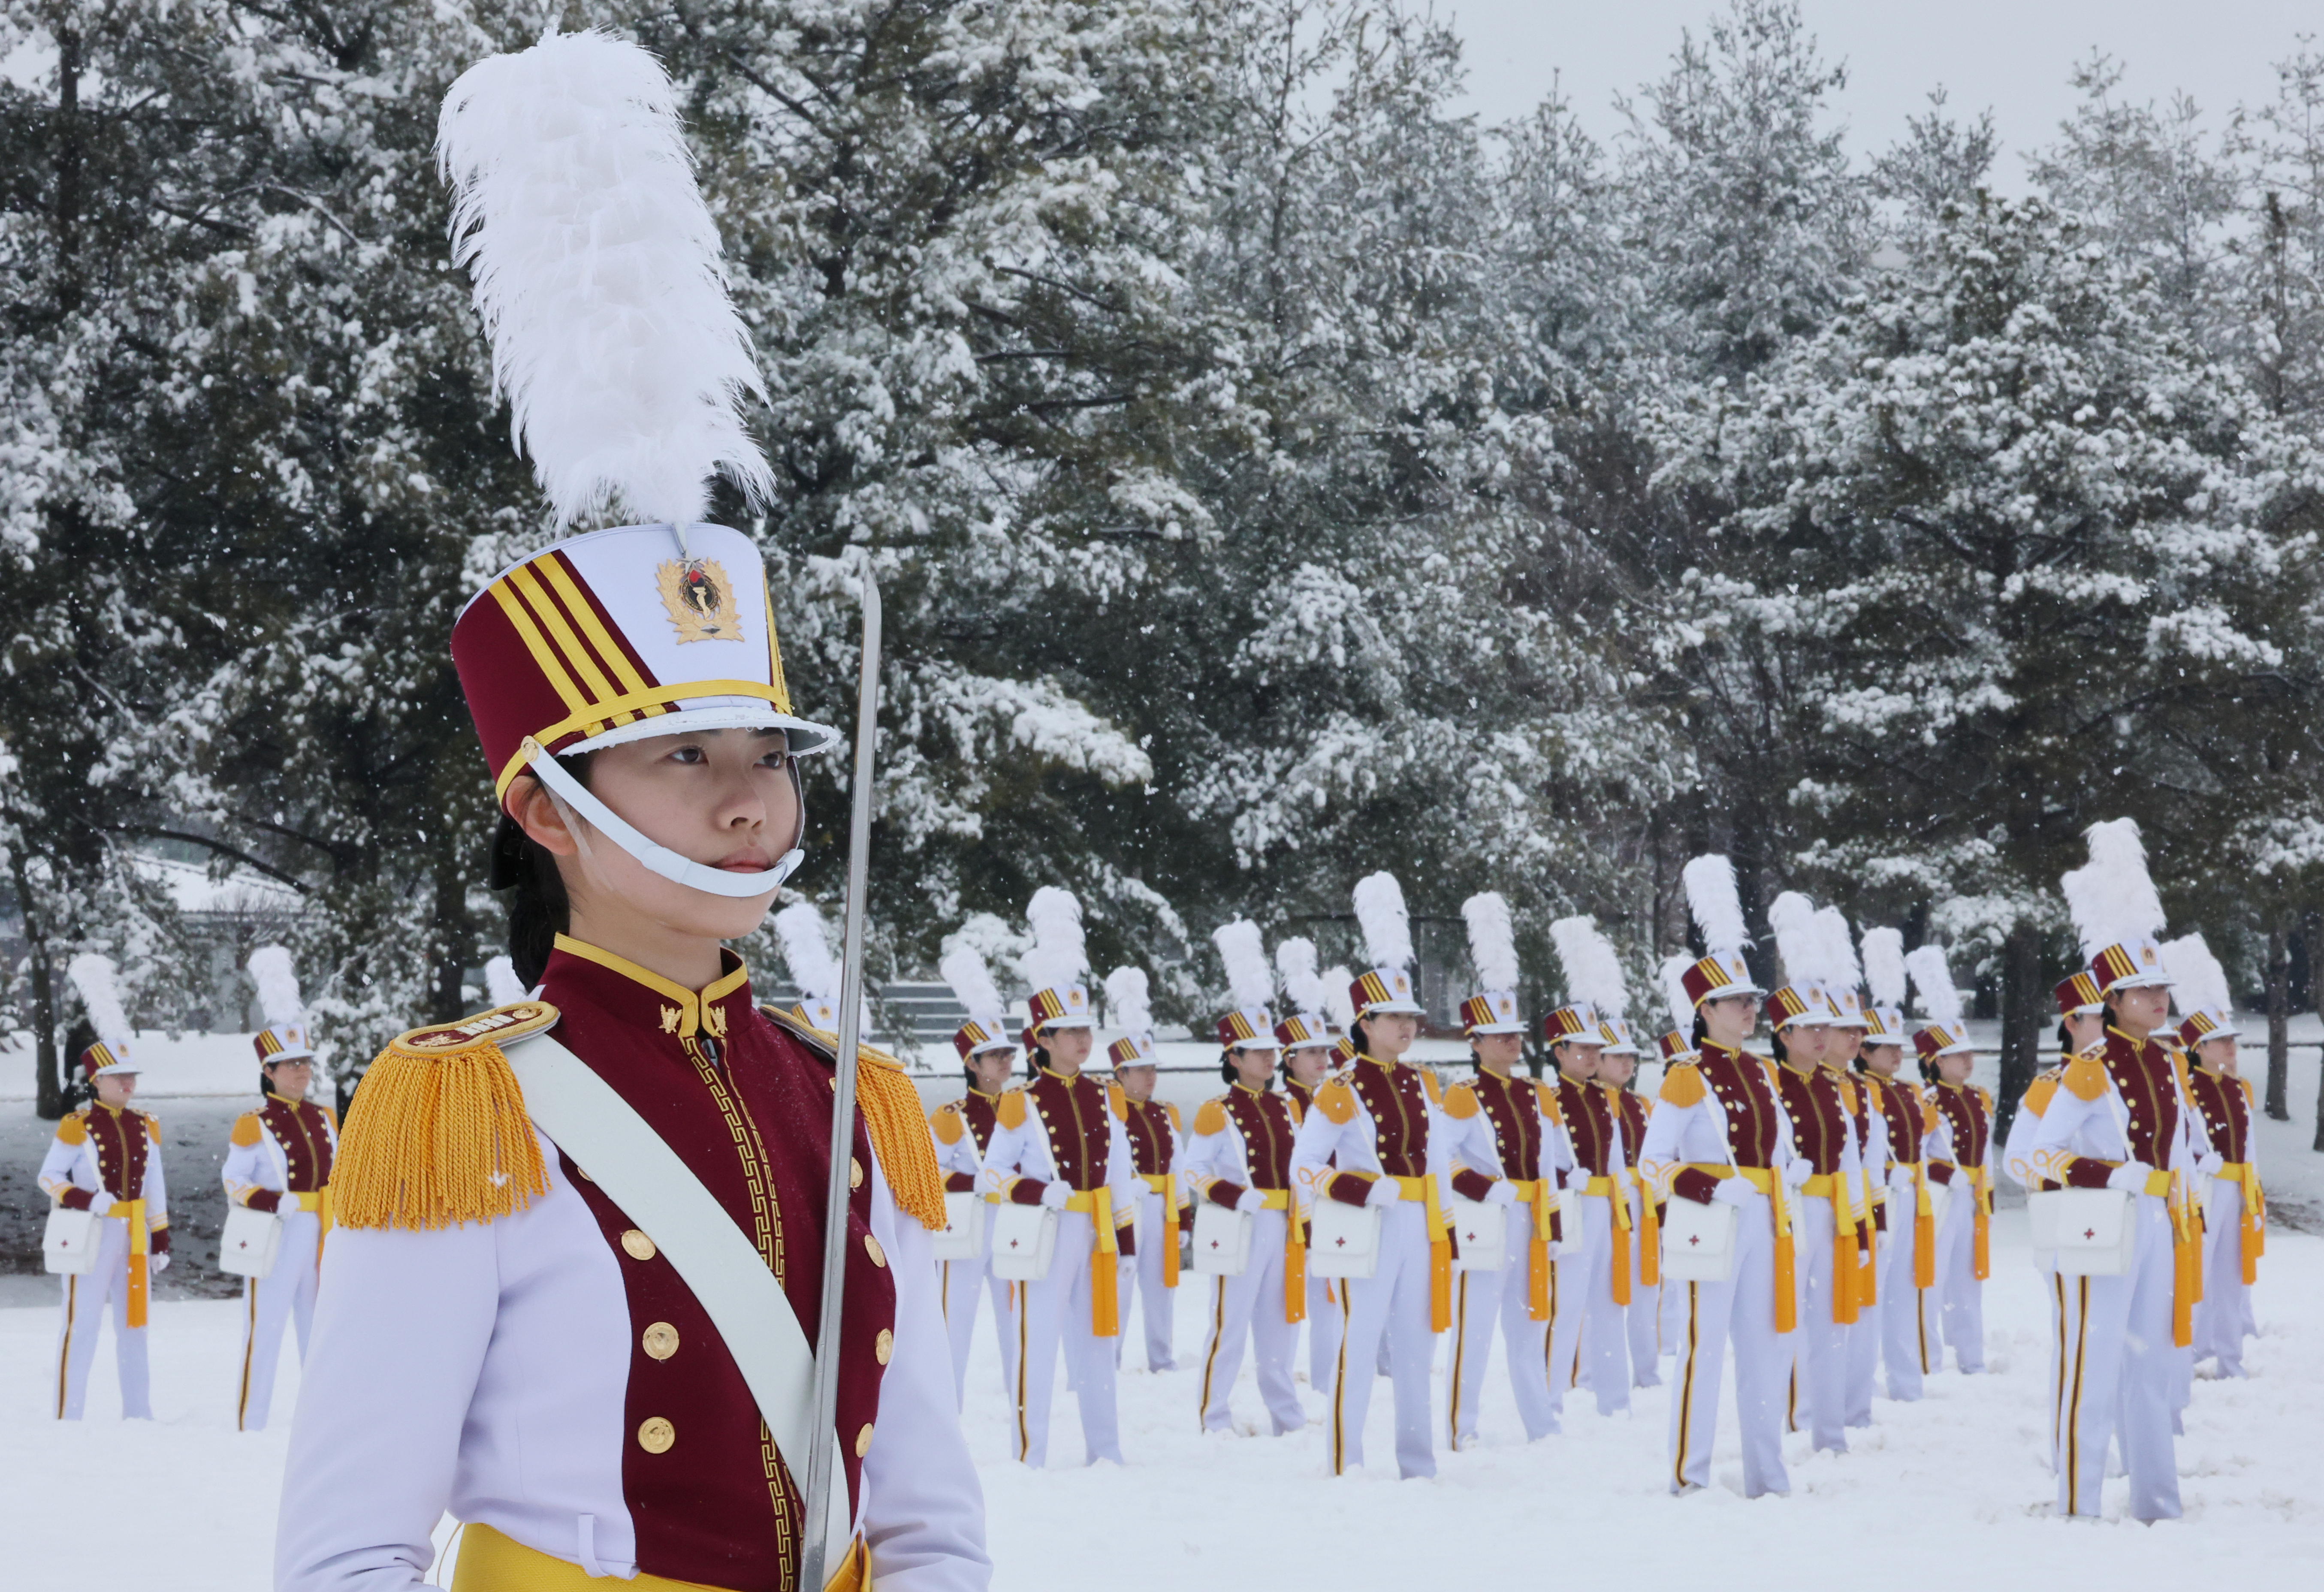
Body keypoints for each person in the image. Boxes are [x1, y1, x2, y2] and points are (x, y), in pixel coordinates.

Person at [274, 33, 985, 1590]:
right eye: (682, 759)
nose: (747, 797)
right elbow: (347, 1548)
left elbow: (924, 1506)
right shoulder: (464, 1110)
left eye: (768, 754)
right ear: (544, 804)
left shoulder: (853, 1096)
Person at [2028, 817, 2212, 1522]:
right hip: (2101, 1222)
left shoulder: (2168, 1059)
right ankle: (2076, 1500)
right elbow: (2040, 1158)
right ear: (2110, 1001)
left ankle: (2156, 1502)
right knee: (2091, 1357)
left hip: (2159, 1222)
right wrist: (2110, 1176)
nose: (2157, 999)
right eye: (2142, 991)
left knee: (2152, 1364)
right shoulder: (2088, 1067)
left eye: (2160, 988)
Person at [1639, 854, 1803, 1500]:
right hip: (1709, 1221)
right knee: (1701, 1348)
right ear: (1704, 1009)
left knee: (1765, 1349)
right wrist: (1706, 1185)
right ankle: (1690, 1473)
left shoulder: (1764, 1073)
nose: (1749, 1011)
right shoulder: (1686, 1076)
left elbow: (1779, 1147)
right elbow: (1651, 1164)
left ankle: (1768, 1473)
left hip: (1766, 1219)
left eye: (1751, 1000)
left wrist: (1787, 1176)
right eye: (1736, 1002)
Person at [1291, 871, 1452, 1480]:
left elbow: (1436, 1161)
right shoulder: (1340, 1087)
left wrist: (1445, 1231)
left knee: (1417, 1347)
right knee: (1358, 1342)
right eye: (1391, 1017)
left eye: (1410, 1015)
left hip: (1417, 1222)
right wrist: (1358, 1188)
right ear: (1363, 1021)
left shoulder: (1422, 1082)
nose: (1405, 1026)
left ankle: (1417, 1462)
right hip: (1367, 1223)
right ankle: (1344, 1457)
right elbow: (1303, 1166)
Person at [978, 887, 1139, 1468]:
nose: (1082, 1040)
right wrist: (1042, 1192)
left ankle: (1107, 1450)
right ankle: (1031, 1452)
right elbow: (992, 1176)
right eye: (1069, 1032)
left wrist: (1124, 1239)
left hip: (1095, 1231)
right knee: (1036, 1339)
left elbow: (1120, 1173)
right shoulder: (1020, 1102)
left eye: (1086, 1030)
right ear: (1042, 1040)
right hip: (1047, 1232)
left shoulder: (1107, 1098)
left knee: (1099, 1341)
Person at [1440, 892, 1570, 1447]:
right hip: (1485, 1217)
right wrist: (1480, 1187)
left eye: (1515, 1034)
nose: (1511, 1043)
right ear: (1475, 1043)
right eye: (1499, 1035)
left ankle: (1540, 1422)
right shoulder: (1463, 1096)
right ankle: (1460, 1425)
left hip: (1531, 1216)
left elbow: (1553, 1165)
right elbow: (1439, 1161)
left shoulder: (1537, 1092)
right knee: (1474, 1323)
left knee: (1530, 1321)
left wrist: (1556, 1226)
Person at [1183, 921, 1307, 1435]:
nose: (1269, 1058)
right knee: (1229, 1323)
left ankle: (1287, 1416)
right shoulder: (1217, 1110)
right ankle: (1214, 1416)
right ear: (1233, 1058)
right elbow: (1193, 1170)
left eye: (1271, 1050)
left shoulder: (1288, 1106)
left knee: (1282, 1326)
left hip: (1287, 1221)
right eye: (1257, 1051)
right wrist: (1235, 1197)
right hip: (1243, 1223)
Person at [41, 953, 170, 1422]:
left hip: (134, 1236)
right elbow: (49, 1177)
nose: (129, 1084)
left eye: (132, 1076)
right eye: (120, 1076)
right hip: (91, 1235)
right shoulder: (77, 1125)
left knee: (134, 1325)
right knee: (83, 1323)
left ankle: (139, 1413)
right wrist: (88, 1198)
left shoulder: (145, 1124)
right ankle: (67, 1414)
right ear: (97, 1080)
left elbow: (154, 1184)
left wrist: (160, 1237)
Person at [220, 945, 338, 1432]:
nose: (303, 1071)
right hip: (276, 1230)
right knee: (264, 1326)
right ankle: (252, 1420)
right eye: (291, 1065)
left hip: (323, 1231)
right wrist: (272, 1200)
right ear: (268, 1071)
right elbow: (233, 1181)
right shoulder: (253, 1123)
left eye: (306, 1062)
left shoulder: (325, 1116)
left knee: (321, 1331)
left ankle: (320, 1421)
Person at [1763, 893, 1861, 1456]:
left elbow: (1846, 1155)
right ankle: (1793, 1419)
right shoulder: (1768, 1082)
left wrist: (1859, 1227)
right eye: (1809, 1028)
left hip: (1830, 1213)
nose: (1822, 1037)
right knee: (1787, 1323)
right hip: (1789, 1209)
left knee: (1830, 1323)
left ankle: (1829, 1430)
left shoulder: (1832, 1085)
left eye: (1825, 1026)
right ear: (1784, 1034)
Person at [2000, 970, 2105, 1468]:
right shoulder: (2050, 1084)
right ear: (2072, 1022)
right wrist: (2079, 1180)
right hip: (2071, 1220)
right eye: (2100, 1017)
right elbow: (2018, 1159)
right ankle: (2070, 1452)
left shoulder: (2118, 1075)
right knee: (2079, 1338)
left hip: (2123, 1220)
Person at [1546, 914, 1636, 1417]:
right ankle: (1552, 1394)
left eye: (1595, 1049)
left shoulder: (1604, 1099)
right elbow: (1537, 1157)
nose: (1591, 1056)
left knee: (1609, 1301)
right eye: (1581, 1048)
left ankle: (1614, 1398)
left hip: (1606, 1204)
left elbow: (1619, 1154)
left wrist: (1624, 1198)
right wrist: (1563, 1184)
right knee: (1567, 1304)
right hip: (1573, 1204)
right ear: (1559, 1051)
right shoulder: (1548, 1095)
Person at [929, 944, 1022, 1407]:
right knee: (955, 1319)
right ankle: (950, 1404)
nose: (1005, 1062)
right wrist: (972, 1182)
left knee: (1016, 1313)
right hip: (966, 1224)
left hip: (1011, 1221)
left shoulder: (1022, 1108)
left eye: (1007, 1053)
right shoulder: (951, 1115)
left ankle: (1019, 1396)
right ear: (972, 1064)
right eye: (995, 1056)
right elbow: (932, 1172)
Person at [2164, 935, 2261, 1380]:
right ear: (2199, 1046)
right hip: (2205, 1188)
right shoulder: (2187, 1085)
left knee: (2231, 1276)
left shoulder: (2238, 1089)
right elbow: (2181, 1140)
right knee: (2196, 1271)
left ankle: (2230, 1358)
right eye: (2221, 1041)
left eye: (2232, 1040)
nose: (2231, 1048)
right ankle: (2186, 1354)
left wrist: (2252, 1189)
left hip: (2238, 1187)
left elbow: (2250, 1144)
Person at [1853, 928, 1933, 1403]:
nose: (1897, 1055)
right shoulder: (1859, 1088)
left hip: (1911, 1191)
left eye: (1899, 1048)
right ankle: (1864, 1382)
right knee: (1875, 1289)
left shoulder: (1906, 1090)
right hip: (1878, 1193)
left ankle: (1907, 1382)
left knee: (1905, 1288)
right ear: (1864, 1050)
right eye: (1886, 1048)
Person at [1906, 943, 1991, 1378]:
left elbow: (1985, 1150)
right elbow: (1916, 1156)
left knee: (1968, 1280)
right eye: (1959, 1054)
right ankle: (1928, 1360)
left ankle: (1972, 1356)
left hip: (1971, 1196)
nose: (1969, 1059)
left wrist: (1984, 1189)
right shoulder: (1926, 1100)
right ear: (1935, 1061)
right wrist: (1943, 1176)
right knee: (1931, 1278)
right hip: (1938, 1197)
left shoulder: (1978, 1099)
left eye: (1969, 1052)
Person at [1104, 964, 1185, 1374]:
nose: (1151, 1077)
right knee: (1121, 1281)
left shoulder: (1164, 1113)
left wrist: (1184, 1217)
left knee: (1162, 1285)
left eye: (1154, 1070)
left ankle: (1162, 1356)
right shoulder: (1109, 1110)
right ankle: (1112, 1356)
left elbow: (1180, 1167)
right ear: (1121, 1074)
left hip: (1161, 1205)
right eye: (1143, 1070)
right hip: (1126, 1206)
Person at [1272, 936, 1344, 1393]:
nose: (1324, 1060)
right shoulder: (1278, 1103)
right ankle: (1280, 1382)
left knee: (1331, 1306)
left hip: (1333, 1212)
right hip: (1284, 1220)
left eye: (1326, 1051)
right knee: (1282, 1310)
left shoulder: (1340, 1098)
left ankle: (1326, 1383)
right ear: (1289, 1059)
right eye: (1312, 1052)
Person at [1597, 1028, 1662, 1385]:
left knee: (1646, 1286)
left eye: (1631, 1057)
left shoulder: (1641, 1103)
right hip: (1604, 1200)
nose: (1627, 1063)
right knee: (1603, 1288)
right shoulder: (1586, 1100)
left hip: (1642, 1200)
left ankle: (1647, 1370)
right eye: (1618, 1056)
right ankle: (1592, 1372)